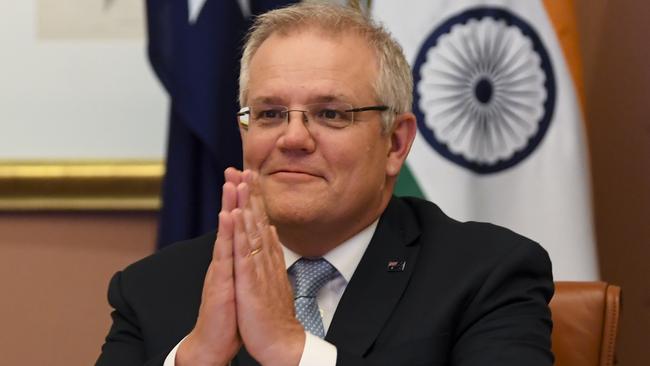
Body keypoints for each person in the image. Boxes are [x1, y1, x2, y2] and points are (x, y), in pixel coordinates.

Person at [96, 3, 554, 366]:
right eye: (270, 114)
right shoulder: (154, 289)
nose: (293, 138)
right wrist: (198, 359)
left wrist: (293, 353)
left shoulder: (487, 276)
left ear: (396, 143)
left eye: (331, 114)